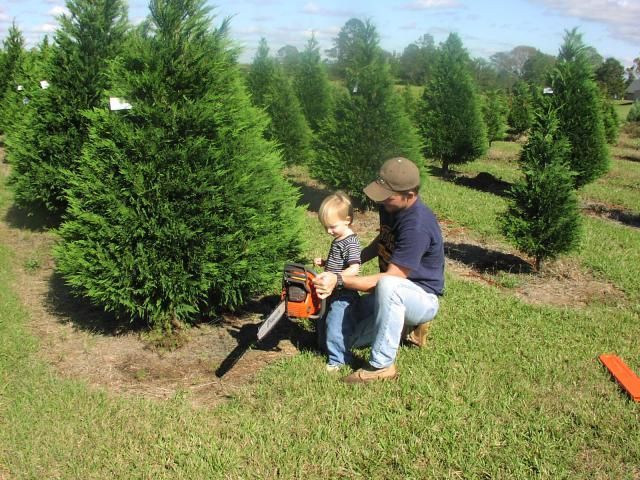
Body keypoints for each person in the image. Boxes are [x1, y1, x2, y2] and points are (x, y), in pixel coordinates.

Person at [313, 157, 444, 384]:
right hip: (388, 293)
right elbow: (383, 239)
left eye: (387, 195)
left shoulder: (417, 226)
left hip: (420, 296)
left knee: (388, 286)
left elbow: (390, 280)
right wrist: (354, 260)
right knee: (343, 338)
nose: (381, 201)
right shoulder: (390, 206)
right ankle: (402, 325)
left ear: (410, 196)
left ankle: (382, 366)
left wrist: (339, 280)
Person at [314, 191, 362, 372]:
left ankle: (338, 360)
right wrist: (326, 264)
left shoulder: (351, 242)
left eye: (332, 226)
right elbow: (338, 263)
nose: (328, 231)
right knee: (323, 320)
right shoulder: (338, 238)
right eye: (325, 227)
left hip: (345, 293)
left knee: (336, 325)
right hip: (331, 290)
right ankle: (323, 348)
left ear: (347, 220)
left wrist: (337, 278)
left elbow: (354, 268)